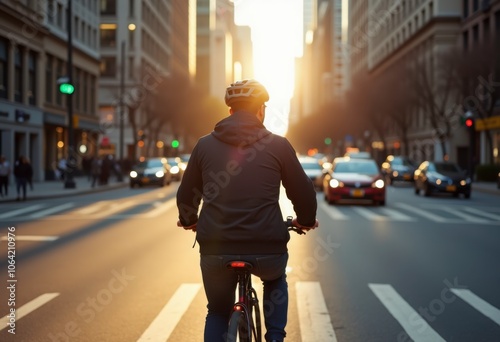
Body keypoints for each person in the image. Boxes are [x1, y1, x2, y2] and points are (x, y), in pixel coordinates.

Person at [176, 79, 318, 342]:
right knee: (275, 281)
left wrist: (189, 220)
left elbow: (186, 196)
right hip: (267, 248)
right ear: (261, 110)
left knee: (217, 311)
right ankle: (275, 337)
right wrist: (305, 220)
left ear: (229, 111)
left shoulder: (204, 145)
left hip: (216, 249)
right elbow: (303, 192)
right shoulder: (278, 145)